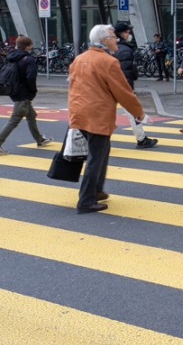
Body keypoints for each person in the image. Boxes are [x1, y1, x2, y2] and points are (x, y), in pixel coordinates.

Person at [68, 24, 145, 214]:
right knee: (96, 157)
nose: (116, 39)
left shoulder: (79, 59)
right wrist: (138, 112)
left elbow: (72, 88)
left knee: (101, 153)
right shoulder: (108, 62)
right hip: (98, 116)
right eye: (112, 36)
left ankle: (97, 190)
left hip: (81, 114)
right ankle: (86, 200)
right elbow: (123, 91)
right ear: (103, 41)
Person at [0, 35, 52, 155]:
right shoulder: (29, 59)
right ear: (28, 46)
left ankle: (39, 139)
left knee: (31, 115)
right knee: (14, 120)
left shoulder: (11, 57)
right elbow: (31, 78)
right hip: (24, 94)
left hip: (14, 90)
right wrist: (33, 91)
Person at [113, 22, 157, 148]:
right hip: (123, 88)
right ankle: (141, 139)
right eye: (127, 32)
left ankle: (90, 141)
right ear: (122, 34)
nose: (129, 34)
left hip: (110, 88)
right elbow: (125, 72)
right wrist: (129, 90)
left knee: (103, 115)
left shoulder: (112, 47)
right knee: (133, 113)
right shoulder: (125, 50)